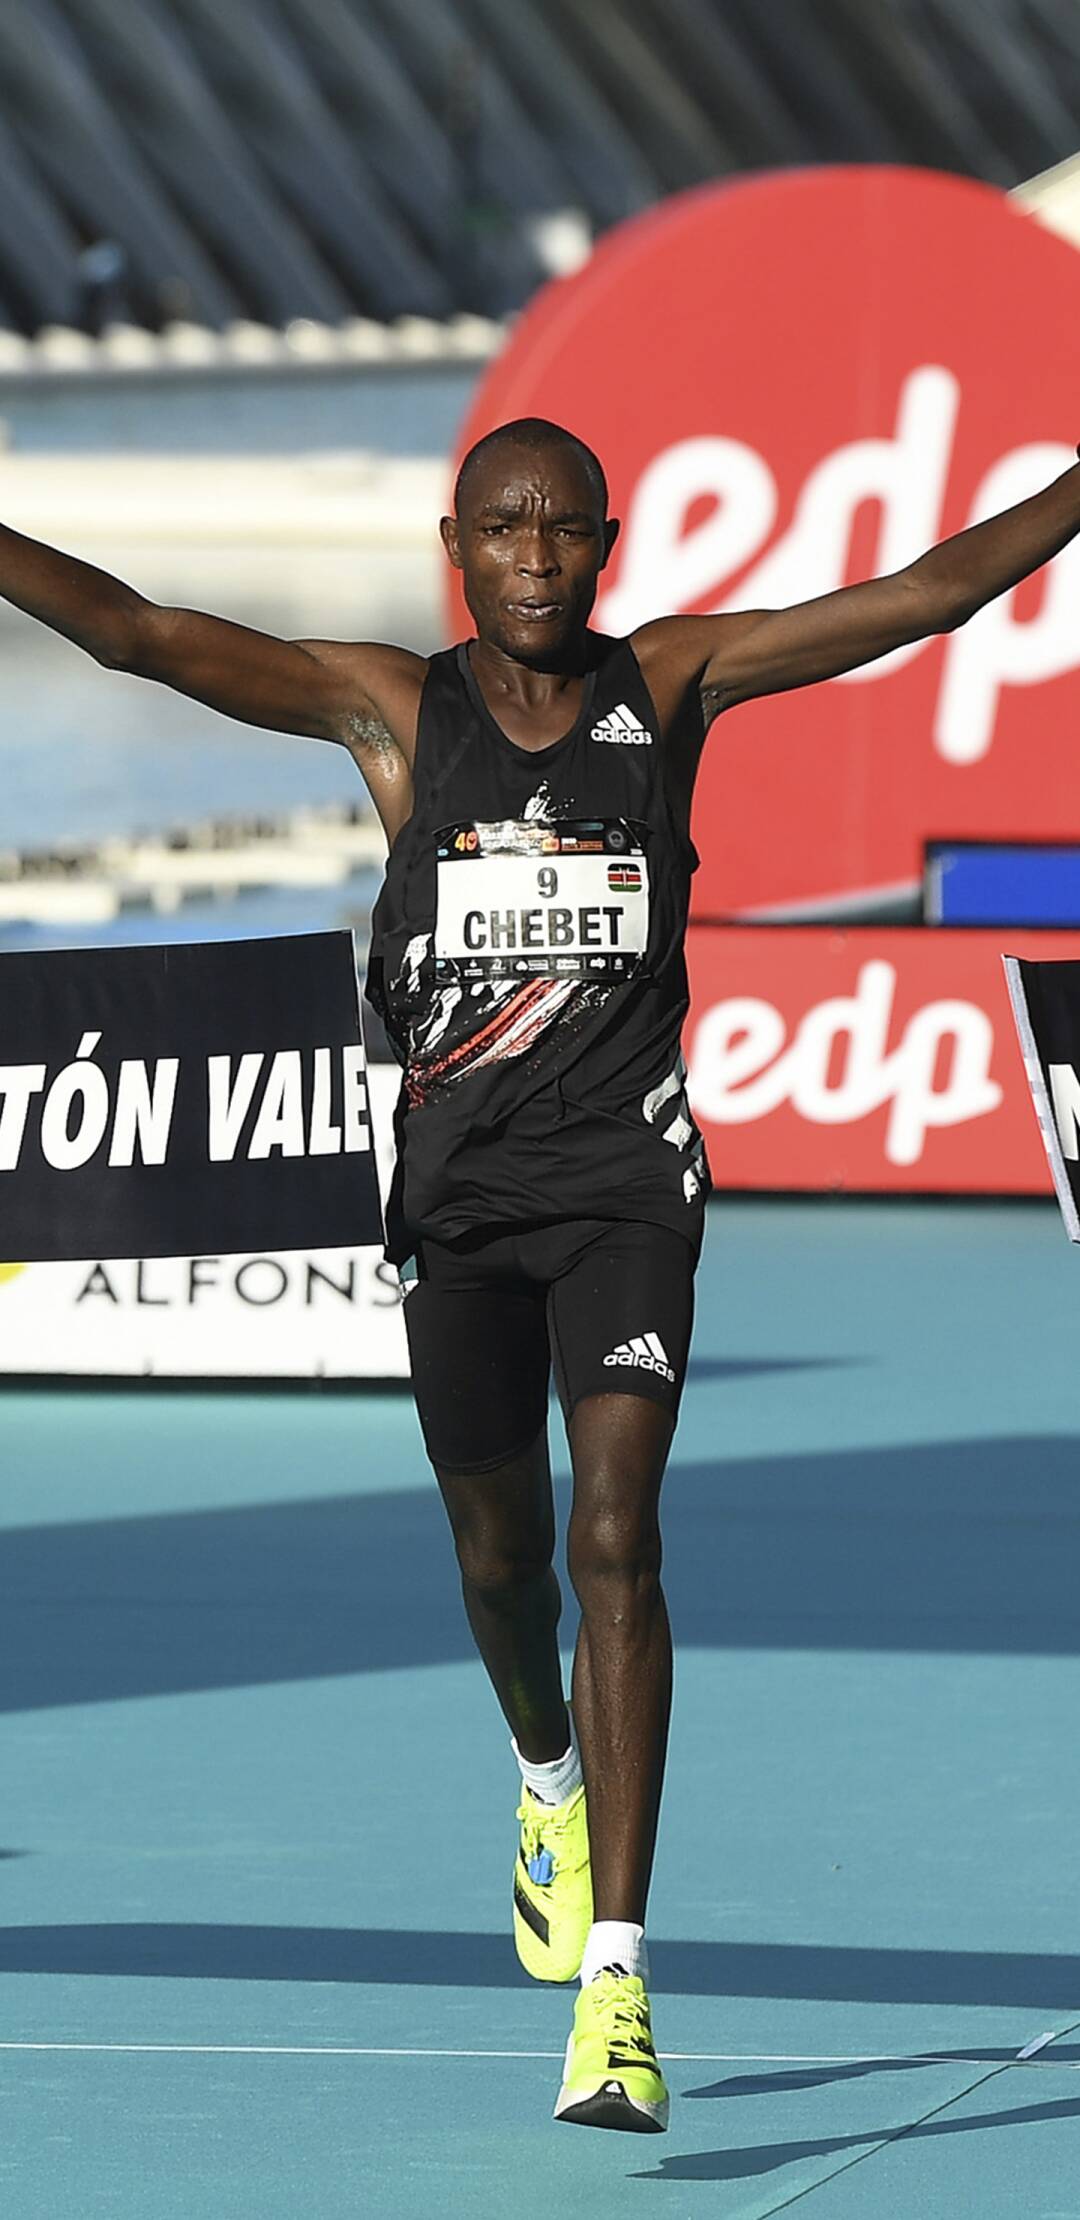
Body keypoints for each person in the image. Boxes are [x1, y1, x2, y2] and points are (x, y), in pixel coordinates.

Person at [3, 415, 1079, 2133]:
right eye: (501, 531)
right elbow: (140, 635)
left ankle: (623, 1983)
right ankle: (540, 1773)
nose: (531, 559)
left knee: (614, 1540)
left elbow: (930, 594)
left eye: (560, 531)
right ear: (455, 544)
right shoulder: (389, 709)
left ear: (607, 544)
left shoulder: (679, 681)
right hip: (462, 1206)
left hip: (629, 1191)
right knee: (504, 1560)